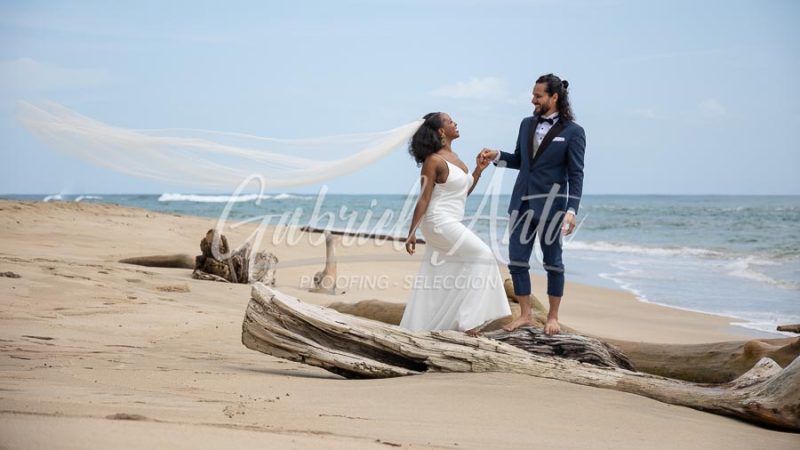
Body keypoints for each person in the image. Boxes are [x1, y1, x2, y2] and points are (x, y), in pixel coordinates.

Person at [480, 73, 586, 335]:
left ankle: (552, 317)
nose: (533, 100)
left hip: (552, 207)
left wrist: (571, 211)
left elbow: (576, 174)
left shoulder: (574, 132)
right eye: (533, 95)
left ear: (554, 97)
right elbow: (519, 160)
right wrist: (497, 156)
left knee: (553, 263)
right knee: (517, 261)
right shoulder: (526, 124)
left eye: (538, 96)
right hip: (521, 202)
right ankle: (526, 315)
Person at [400, 112, 511, 336]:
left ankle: (435, 326)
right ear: (441, 131)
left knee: (448, 273)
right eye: (450, 121)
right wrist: (411, 232)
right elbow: (423, 198)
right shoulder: (433, 161)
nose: (456, 123)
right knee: (482, 254)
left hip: (451, 219)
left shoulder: (456, 157)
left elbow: (461, 193)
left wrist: (478, 171)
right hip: (437, 221)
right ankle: (468, 322)